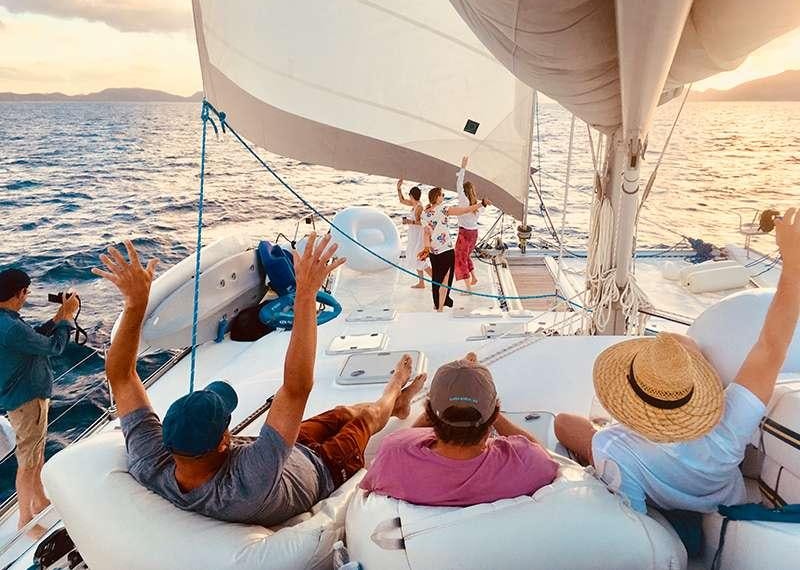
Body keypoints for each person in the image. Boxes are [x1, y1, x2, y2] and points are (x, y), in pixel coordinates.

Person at [92, 234, 427, 526]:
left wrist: (136, 303)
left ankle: (393, 403)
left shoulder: (151, 461)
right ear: (224, 442)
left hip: (287, 450)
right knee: (366, 418)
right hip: (324, 467)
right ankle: (394, 395)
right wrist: (306, 295)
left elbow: (120, 376)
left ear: (166, 439)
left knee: (343, 411)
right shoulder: (246, 482)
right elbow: (297, 389)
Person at [554, 207, 800, 514]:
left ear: (629, 399)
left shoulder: (614, 445)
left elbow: (634, 517)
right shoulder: (730, 423)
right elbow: (771, 346)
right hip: (722, 509)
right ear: (700, 386)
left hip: (664, 506)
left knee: (564, 422)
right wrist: (793, 267)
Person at [361, 352, 558, 506]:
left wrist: (438, 407)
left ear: (428, 412)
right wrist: (491, 411)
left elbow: (405, 440)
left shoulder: (394, 456)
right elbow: (543, 455)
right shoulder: (525, 461)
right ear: (494, 415)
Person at [0, 268, 78, 529]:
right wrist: (67, 318)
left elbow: (33, 338)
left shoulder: (7, 320)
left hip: (23, 398)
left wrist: (58, 318)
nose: (27, 296)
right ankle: (26, 520)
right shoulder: (10, 328)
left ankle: (40, 500)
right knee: (27, 463)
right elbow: (55, 347)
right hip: (27, 400)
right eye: (26, 292)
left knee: (35, 454)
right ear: (19, 293)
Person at [420, 186, 482, 311]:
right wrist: (481, 204)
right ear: (437, 197)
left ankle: (437, 304)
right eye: (442, 195)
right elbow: (465, 210)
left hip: (433, 251)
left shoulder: (424, 214)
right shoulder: (443, 209)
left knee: (436, 279)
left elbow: (426, 233)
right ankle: (440, 309)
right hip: (446, 250)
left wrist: (426, 249)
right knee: (445, 280)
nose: (443, 197)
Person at [454, 156, 489, 292]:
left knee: (460, 258)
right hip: (474, 233)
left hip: (464, 233)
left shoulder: (464, 201)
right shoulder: (477, 205)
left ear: (465, 191)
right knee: (466, 256)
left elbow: (458, 183)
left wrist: (463, 167)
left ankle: (468, 288)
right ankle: (473, 277)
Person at [396, 179, 431, 289]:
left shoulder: (419, 207)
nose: (409, 197)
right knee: (417, 260)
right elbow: (402, 200)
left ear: (412, 195)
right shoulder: (414, 204)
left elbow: (421, 223)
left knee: (420, 259)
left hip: (418, 236)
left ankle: (436, 280)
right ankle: (421, 283)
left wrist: (409, 222)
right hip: (414, 235)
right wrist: (398, 188)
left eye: (409, 195)